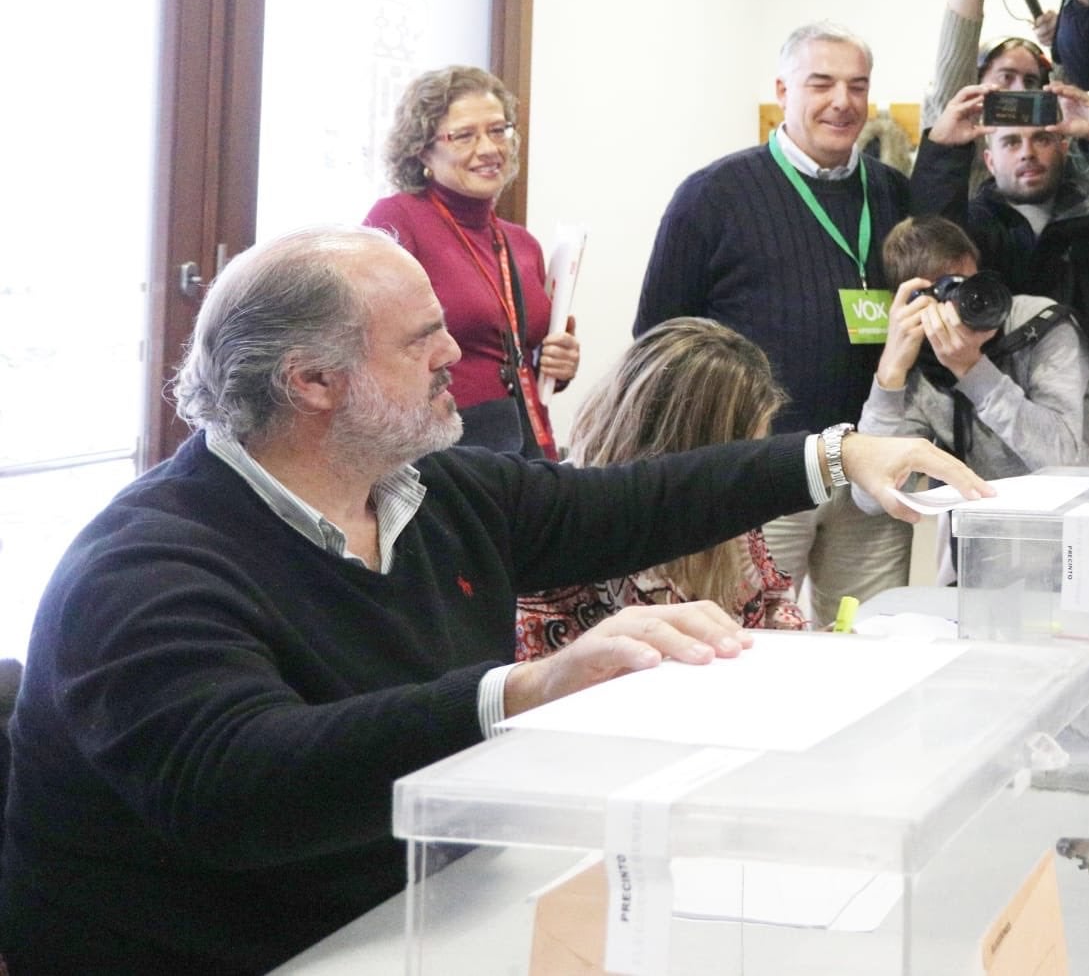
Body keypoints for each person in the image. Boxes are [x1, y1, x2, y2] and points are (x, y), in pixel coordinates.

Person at [0, 226, 982, 975]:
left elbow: (629, 503)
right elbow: (242, 787)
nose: (454, 355)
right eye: (421, 338)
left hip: (422, 913)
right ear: (313, 381)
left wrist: (833, 455)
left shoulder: (433, 490)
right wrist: (522, 691)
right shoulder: (143, 570)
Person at [635, 22, 917, 622]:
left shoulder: (893, 194)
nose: (842, 102)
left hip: (872, 469)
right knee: (749, 639)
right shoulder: (712, 195)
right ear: (783, 91)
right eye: (821, 83)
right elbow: (657, 344)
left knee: (870, 639)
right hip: (760, 469)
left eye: (857, 86)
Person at [516, 317, 807, 657]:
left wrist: (815, 643)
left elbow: (773, 602)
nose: (757, 456)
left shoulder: (733, 502)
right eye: (751, 448)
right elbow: (552, 673)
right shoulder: (570, 522)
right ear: (701, 451)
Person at [858, 216, 1089, 576]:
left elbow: (1067, 463)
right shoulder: (920, 368)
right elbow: (871, 498)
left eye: (970, 284)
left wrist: (973, 370)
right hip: (996, 559)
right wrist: (889, 377)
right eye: (950, 291)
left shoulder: (1041, 324)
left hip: (1087, 540)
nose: (967, 302)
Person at [365, 66, 580, 456]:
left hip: (527, 446)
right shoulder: (397, 220)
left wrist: (557, 364)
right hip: (448, 450)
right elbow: (372, 346)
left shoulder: (521, 242)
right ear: (423, 149)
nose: (489, 149)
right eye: (464, 136)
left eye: (498, 130)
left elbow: (521, 354)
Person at [914, 83, 1089, 364]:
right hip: (992, 383)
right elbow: (930, 248)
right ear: (990, 161)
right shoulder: (975, 228)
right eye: (1011, 142)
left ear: (1064, 148)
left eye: (1042, 139)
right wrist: (944, 150)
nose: (1027, 152)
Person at [922, 0, 1082, 137]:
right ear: (977, 81)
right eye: (1006, 77)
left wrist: (1063, 41)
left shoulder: (1049, 140)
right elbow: (955, 61)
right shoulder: (964, 132)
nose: (1020, 90)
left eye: (1030, 81)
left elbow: (1065, 102)